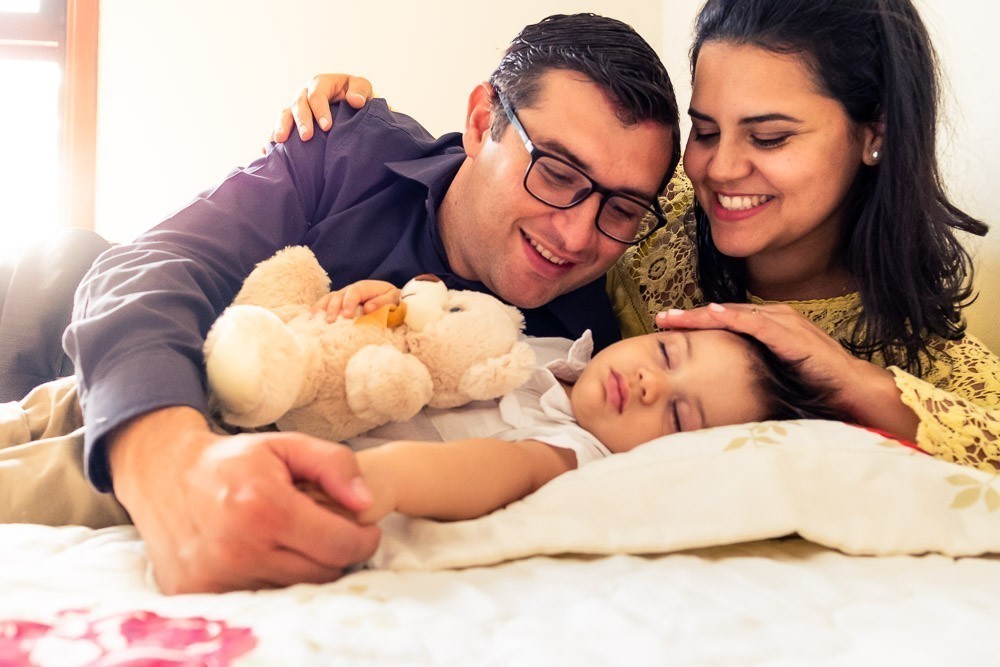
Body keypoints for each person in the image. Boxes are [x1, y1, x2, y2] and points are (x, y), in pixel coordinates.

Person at [55, 14, 681, 595]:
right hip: (74, 333)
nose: (575, 237)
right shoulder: (342, 146)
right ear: (480, 119)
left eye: (621, 209)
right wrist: (171, 470)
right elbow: (152, 265)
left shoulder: (591, 348)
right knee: (62, 255)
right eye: (555, 172)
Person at [278, 0, 1000, 473]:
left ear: (873, 135)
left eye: (771, 136)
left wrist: (846, 378)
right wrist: (361, 123)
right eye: (708, 131)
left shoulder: (914, 346)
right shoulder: (658, 205)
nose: (721, 170)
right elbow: (517, 170)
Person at [304, 278, 848, 523]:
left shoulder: (578, 454)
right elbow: (440, 318)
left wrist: (378, 479)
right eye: (664, 352)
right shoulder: (553, 345)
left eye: (679, 415)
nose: (649, 384)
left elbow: (497, 469)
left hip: (329, 468)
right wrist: (392, 299)